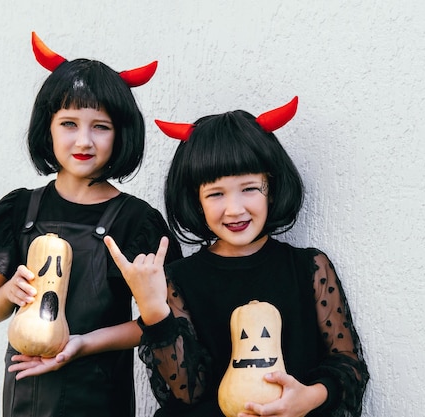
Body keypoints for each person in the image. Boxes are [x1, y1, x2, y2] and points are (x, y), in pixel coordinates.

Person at [104, 96, 369, 417]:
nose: (235, 209)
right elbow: (186, 392)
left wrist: (310, 397)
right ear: (195, 200)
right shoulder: (178, 279)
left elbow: (347, 363)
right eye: (216, 194)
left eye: (249, 189)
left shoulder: (310, 268)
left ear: (271, 188)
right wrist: (152, 310)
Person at [0, 32, 182, 417]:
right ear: (47, 128)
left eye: (101, 126)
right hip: (26, 391)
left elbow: (157, 320)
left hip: (99, 391)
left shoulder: (138, 222)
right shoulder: (19, 208)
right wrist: (8, 294)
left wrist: (83, 343)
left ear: (121, 134)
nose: (84, 140)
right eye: (69, 123)